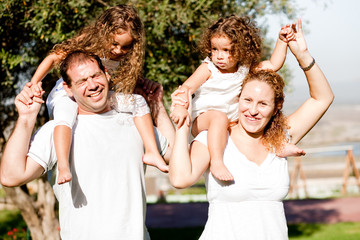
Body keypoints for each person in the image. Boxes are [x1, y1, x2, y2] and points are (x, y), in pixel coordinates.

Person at [169, 19, 334, 239]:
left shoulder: (279, 137)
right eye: (246, 100)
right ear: (237, 99)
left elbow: (322, 98)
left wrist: (301, 54)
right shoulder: (214, 138)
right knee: (217, 119)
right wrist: (183, 120)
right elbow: (180, 179)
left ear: (276, 108)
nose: (253, 110)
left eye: (263, 103)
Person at [0, 51, 174, 239]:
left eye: (95, 76)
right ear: (67, 88)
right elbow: (11, 177)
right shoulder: (57, 131)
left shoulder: (137, 123)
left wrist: (158, 106)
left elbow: (176, 157)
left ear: (106, 74)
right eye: (82, 81)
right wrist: (26, 118)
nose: (92, 85)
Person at [30, 4, 168, 184]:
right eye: (114, 43)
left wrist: (144, 87)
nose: (118, 50)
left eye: (125, 47)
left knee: (138, 102)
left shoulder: (127, 60)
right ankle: (63, 165)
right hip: (68, 93)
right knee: (65, 115)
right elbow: (54, 57)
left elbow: (125, 86)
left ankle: (152, 151)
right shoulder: (89, 39)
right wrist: (34, 82)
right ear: (103, 30)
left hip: (96, 95)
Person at [170, 15, 300, 181]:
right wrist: (181, 108)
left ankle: (275, 146)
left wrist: (282, 41)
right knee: (219, 117)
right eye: (214, 49)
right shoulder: (208, 68)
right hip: (204, 118)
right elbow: (186, 88)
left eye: (226, 50)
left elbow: (274, 65)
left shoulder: (244, 69)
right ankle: (217, 162)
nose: (219, 56)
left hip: (230, 121)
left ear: (241, 49)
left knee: (254, 121)